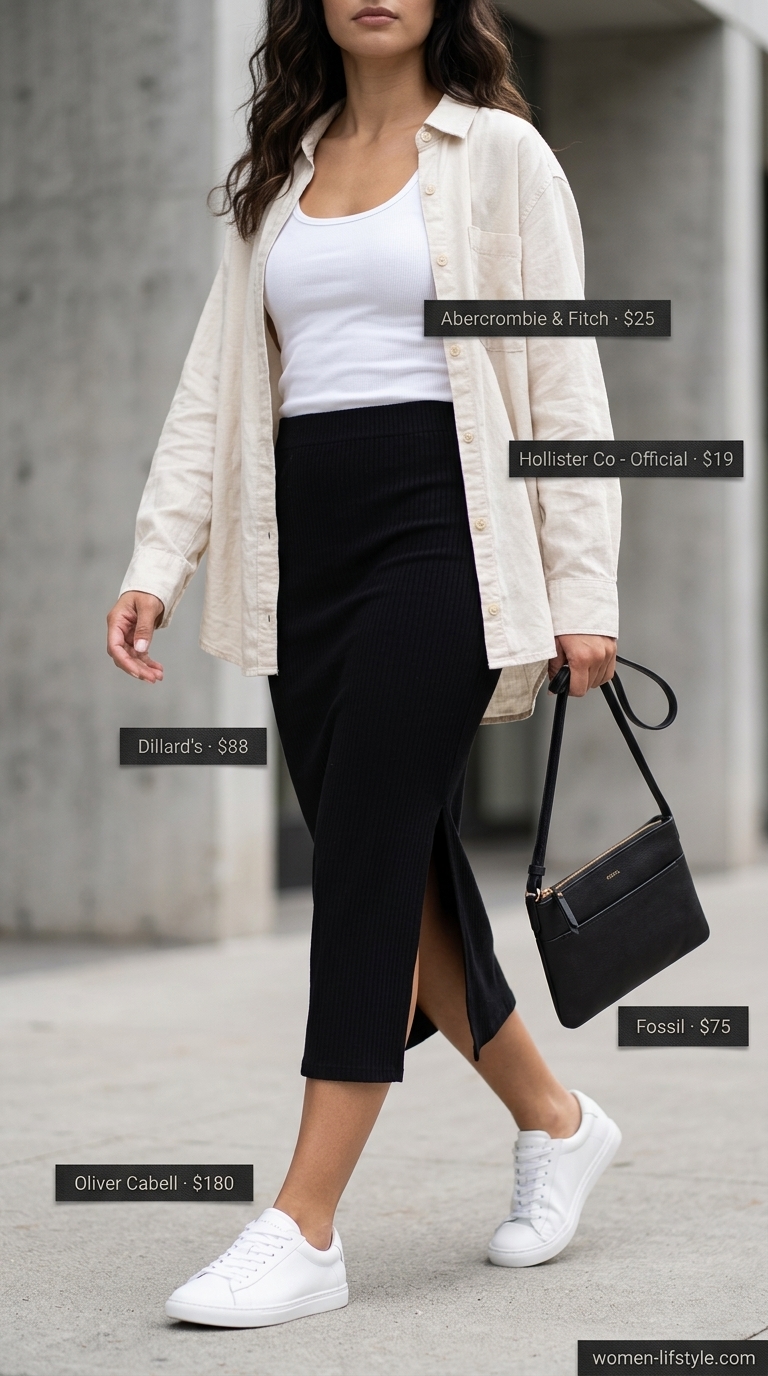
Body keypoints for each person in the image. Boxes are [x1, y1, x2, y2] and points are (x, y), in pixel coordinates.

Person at [106, 0, 622, 1330]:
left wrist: (584, 589)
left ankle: (305, 1223)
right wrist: (160, 556)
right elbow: (213, 386)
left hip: (443, 531)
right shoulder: (282, 163)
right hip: (304, 546)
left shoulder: (499, 154)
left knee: (365, 864)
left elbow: (564, 373)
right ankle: (558, 1123)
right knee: (403, 869)